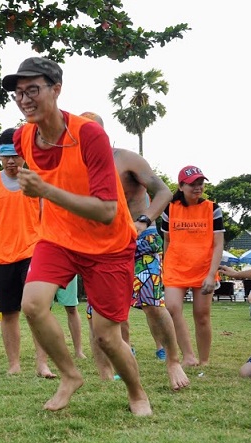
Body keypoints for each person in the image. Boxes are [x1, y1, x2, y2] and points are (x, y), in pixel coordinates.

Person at [4, 57, 151, 415]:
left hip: (109, 245)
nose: (24, 99)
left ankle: (137, 393)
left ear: (56, 90)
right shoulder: (24, 136)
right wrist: (33, 190)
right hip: (57, 238)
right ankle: (70, 376)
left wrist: (46, 192)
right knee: (32, 305)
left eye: (33, 90)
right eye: (18, 93)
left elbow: (106, 211)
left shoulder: (89, 135)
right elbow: (38, 183)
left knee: (106, 337)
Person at [80, 112, 189, 390]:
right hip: (101, 244)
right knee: (97, 312)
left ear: (103, 135)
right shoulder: (76, 166)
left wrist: (144, 221)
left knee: (152, 303)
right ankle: (105, 373)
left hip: (141, 238)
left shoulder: (127, 159)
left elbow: (163, 191)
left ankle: (173, 360)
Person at [0, 129, 53, 377]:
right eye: (5, 156)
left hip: (33, 253)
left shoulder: (35, 178)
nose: (10, 161)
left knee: (36, 311)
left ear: (24, 155)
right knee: (8, 313)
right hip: (2, 257)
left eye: (16, 155)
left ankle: (42, 364)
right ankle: (14, 365)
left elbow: (47, 216)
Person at [162, 165, 224, 367]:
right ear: (181, 186)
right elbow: (167, 241)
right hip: (176, 268)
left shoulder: (212, 209)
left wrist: (211, 274)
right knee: (171, 308)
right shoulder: (169, 208)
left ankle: (204, 361)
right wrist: (165, 265)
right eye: (193, 184)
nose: (198, 188)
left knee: (202, 316)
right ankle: (188, 355)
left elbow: (218, 244)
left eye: (201, 183)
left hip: (204, 269)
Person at [54, 277, 85, 359]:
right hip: (45, 268)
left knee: (72, 308)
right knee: (43, 310)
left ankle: (78, 351)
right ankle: (42, 353)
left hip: (67, 268)